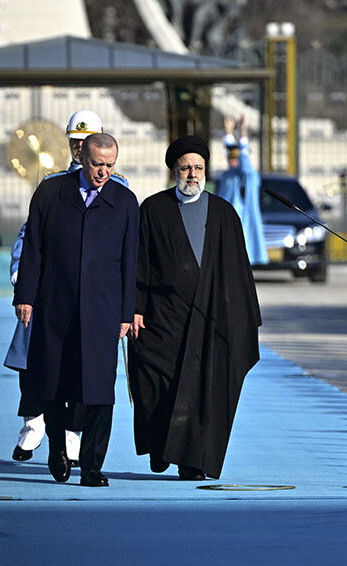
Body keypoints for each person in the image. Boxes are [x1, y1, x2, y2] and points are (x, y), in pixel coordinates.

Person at [127, 135, 262, 481]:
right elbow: (139, 263)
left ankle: (193, 459)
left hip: (209, 320)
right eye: (185, 167)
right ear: (173, 170)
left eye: (198, 167)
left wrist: (240, 320)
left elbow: (237, 273)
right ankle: (160, 445)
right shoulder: (153, 209)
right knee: (154, 384)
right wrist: (135, 307)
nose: (192, 174)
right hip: (161, 318)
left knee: (204, 390)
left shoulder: (223, 213)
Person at [13, 132, 138, 487]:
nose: (103, 173)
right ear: (82, 157)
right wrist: (25, 295)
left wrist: (127, 313)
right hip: (56, 307)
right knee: (51, 384)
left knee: (99, 390)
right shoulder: (51, 193)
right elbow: (33, 248)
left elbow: (131, 262)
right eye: (98, 164)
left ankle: (92, 466)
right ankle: (56, 447)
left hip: (103, 310)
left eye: (110, 166)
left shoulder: (125, 201)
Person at [216, 115, 268, 265]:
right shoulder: (227, 176)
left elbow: (243, 161)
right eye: (230, 158)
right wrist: (228, 133)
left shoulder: (249, 176)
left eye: (236, 157)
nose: (232, 160)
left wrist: (242, 132)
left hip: (244, 231)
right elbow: (231, 152)